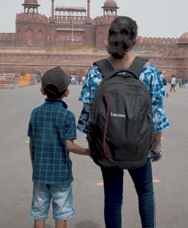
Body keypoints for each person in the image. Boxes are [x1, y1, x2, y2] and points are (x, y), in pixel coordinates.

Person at [77, 16, 169, 228]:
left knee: (113, 199)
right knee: (145, 193)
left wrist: (95, 146)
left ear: (109, 38)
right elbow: (157, 114)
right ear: (135, 40)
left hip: (108, 147)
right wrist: (156, 145)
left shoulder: (96, 71)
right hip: (140, 146)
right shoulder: (147, 70)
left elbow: (86, 117)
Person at [28, 66, 90, 228]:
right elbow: (69, 145)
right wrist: (89, 152)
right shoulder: (67, 115)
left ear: (42, 90)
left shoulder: (35, 113)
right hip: (61, 174)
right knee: (61, 216)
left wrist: (35, 164)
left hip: (40, 172)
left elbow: (32, 143)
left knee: (39, 214)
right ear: (67, 92)